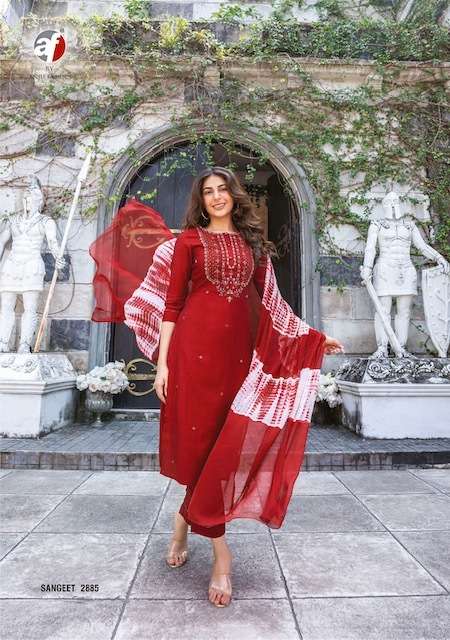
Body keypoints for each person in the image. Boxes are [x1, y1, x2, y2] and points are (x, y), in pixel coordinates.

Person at [128, 166, 343, 608]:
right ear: (201, 201)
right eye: (208, 191)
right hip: (192, 355)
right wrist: (162, 365)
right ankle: (221, 555)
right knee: (199, 446)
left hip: (238, 359)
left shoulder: (253, 245)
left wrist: (311, 339)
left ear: (234, 195)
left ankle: (183, 522)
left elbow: (273, 306)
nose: (216, 196)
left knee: (223, 450)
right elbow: (171, 306)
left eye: (223, 189)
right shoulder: (189, 242)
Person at [0, 176, 66, 353]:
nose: (27, 201)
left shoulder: (46, 222)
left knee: (30, 307)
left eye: (30, 198)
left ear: (38, 200)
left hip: (32, 265)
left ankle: (24, 343)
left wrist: (58, 257)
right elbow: (2, 241)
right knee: (6, 305)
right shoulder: (13, 220)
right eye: (25, 198)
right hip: (12, 264)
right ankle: (3, 342)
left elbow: (52, 242)